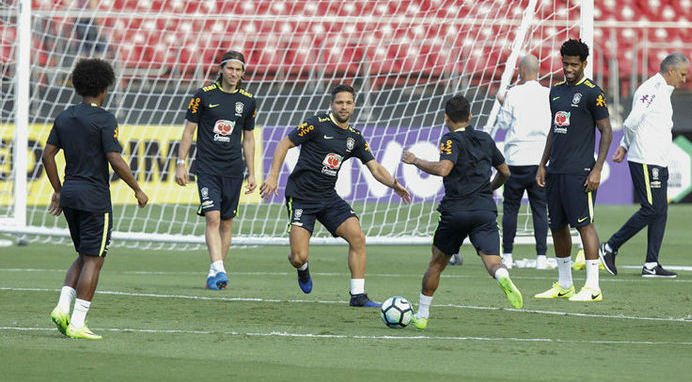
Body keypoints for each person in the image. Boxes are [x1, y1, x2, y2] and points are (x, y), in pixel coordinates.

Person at [259, 84, 411, 307]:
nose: (344, 107)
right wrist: (273, 176)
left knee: (357, 237)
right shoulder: (316, 124)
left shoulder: (354, 137)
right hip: (302, 197)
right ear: (331, 104)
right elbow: (285, 143)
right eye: (339, 102)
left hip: (328, 197)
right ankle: (302, 268)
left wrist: (393, 184)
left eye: (348, 103)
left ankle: (358, 295)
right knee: (299, 257)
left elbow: (375, 167)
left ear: (354, 105)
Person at [44, 58, 148, 340]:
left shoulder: (64, 116)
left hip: (70, 195)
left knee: (84, 254)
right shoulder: (105, 119)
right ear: (104, 88)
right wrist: (137, 189)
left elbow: (48, 155)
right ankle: (78, 322)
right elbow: (114, 158)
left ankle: (62, 308)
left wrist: (58, 190)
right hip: (94, 198)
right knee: (95, 259)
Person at [401, 94, 523, 330]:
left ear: (446, 117)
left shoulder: (450, 140)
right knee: (493, 262)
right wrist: (489, 188)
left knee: (436, 263)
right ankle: (502, 275)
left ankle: (422, 315)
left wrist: (415, 161)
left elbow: (444, 169)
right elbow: (505, 172)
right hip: (484, 210)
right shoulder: (486, 138)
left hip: (456, 211)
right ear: (470, 116)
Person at [534, 39, 612, 302]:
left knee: (584, 225)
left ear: (584, 64)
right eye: (565, 63)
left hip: (580, 171)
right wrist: (543, 164)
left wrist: (597, 168)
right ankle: (565, 283)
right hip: (555, 170)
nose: (568, 69)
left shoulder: (593, 93)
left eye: (574, 65)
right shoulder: (555, 92)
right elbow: (554, 130)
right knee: (557, 226)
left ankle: (593, 287)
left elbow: (606, 131)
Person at [599, 52, 689, 278]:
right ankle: (610, 247)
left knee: (660, 210)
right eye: (682, 74)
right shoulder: (651, 89)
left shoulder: (663, 90)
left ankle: (651, 264)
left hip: (658, 160)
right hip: (646, 160)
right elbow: (631, 122)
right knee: (651, 208)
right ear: (671, 70)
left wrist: (624, 145)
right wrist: (625, 144)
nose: (685, 79)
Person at [176, 51, 257, 290]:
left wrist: (252, 173)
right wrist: (181, 163)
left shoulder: (248, 101)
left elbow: (249, 139)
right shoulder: (203, 95)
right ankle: (221, 269)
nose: (234, 73)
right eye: (230, 68)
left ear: (243, 73)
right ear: (221, 69)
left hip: (234, 169)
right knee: (212, 217)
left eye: (238, 70)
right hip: (207, 167)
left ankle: (213, 274)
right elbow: (189, 131)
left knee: (227, 223)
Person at [496, 54, 551, 270]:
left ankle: (508, 256)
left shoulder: (514, 94)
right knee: (540, 209)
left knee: (510, 209)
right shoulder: (548, 94)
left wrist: (503, 104)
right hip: (539, 160)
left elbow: (503, 123)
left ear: (521, 71)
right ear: (538, 71)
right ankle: (541, 257)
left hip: (516, 159)